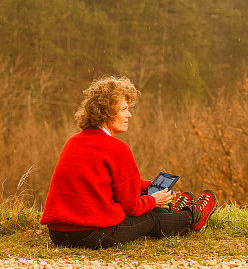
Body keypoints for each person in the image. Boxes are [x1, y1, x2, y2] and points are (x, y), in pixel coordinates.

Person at [41, 76, 216, 249]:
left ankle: (175, 210)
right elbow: (131, 208)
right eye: (124, 109)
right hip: (92, 234)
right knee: (150, 219)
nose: (129, 115)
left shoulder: (73, 141)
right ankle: (194, 216)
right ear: (108, 113)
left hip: (58, 234)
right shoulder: (117, 148)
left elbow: (113, 182)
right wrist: (153, 201)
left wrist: (149, 187)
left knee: (145, 206)